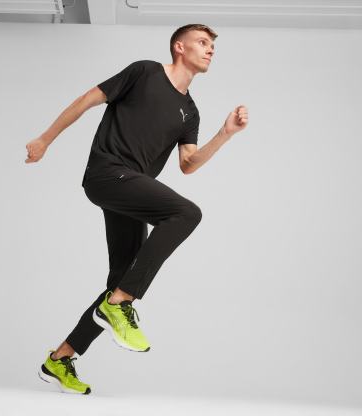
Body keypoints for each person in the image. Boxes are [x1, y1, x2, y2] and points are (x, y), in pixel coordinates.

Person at [26, 23, 248, 395]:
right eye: (202, 42)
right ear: (179, 47)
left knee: (119, 280)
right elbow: (87, 100)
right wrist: (45, 139)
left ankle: (60, 358)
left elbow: (188, 164)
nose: (210, 49)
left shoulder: (190, 111)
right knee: (186, 214)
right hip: (107, 173)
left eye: (212, 45)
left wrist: (224, 134)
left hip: (131, 189)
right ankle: (122, 302)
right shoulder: (144, 72)